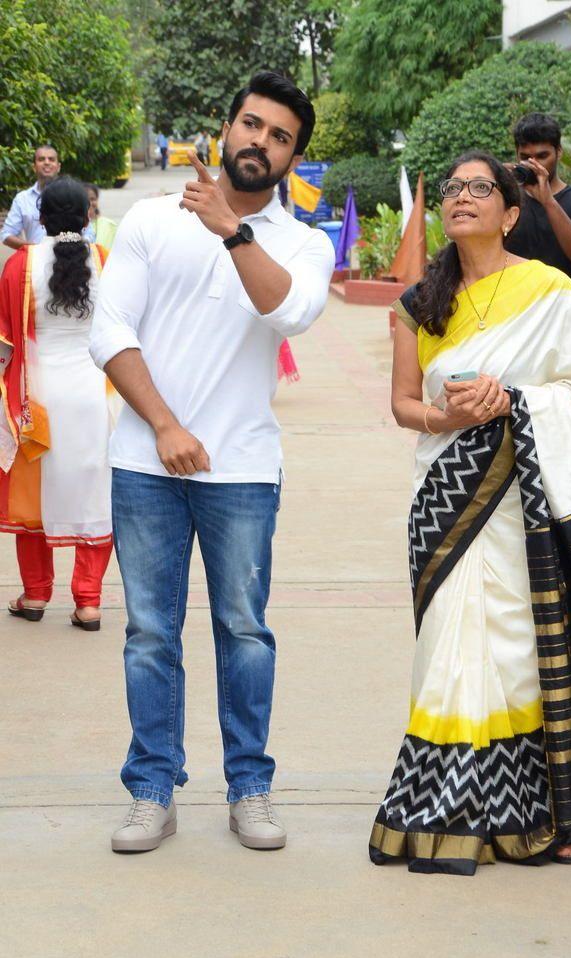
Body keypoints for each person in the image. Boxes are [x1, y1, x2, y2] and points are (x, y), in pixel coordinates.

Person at [369, 150, 571, 876]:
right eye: (452, 188)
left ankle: (542, 810)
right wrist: (448, 416)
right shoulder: (417, 303)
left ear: (511, 212)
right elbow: (401, 406)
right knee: (447, 651)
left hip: (531, 504)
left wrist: (515, 402)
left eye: (480, 188)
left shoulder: (552, 293)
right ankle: (450, 806)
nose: (461, 198)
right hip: (449, 498)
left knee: (522, 648)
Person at [89, 70, 335, 854]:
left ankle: (250, 788)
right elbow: (109, 330)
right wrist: (162, 424)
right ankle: (152, 789)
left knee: (243, 629)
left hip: (243, 471)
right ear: (225, 129)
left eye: (279, 136)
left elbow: (289, 311)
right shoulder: (152, 221)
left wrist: (233, 229)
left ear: (293, 155)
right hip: (145, 463)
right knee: (151, 633)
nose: (260, 142)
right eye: (251, 125)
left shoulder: (302, 241)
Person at [0, 177, 115, 630]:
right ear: (88, 215)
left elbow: (6, 341)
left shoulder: (20, 265)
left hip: (37, 398)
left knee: (34, 499)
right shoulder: (104, 261)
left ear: (40, 216)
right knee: (94, 494)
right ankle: (88, 602)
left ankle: (34, 594)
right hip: (95, 396)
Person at [504, 113, 571, 298]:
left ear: (559, 151)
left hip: (565, 312)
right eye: (526, 157)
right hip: (514, 308)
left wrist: (548, 200)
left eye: (542, 156)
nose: (534, 164)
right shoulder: (507, 201)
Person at [1, 145, 61, 249]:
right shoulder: (22, 199)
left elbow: (88, 234)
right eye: (41, 159)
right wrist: (35, 249)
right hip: (34, 261)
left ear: (58, 166)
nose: (47, 162)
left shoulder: (72, 196)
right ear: (34, 167)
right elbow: (6, 235)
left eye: (51, 159)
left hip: (67, 260)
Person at [83, 183, 118, 250]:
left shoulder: (110, 225)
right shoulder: (74, 227)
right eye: (86, 199)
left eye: (93, 199)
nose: (90, 203)